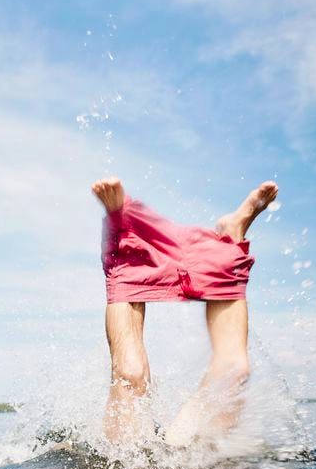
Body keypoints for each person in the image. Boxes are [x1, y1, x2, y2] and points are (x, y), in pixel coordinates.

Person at [92, 177, 278, 445]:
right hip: (132, 261)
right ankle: (124, 227)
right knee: (130, 374)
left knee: (235, 372)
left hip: (179, 456)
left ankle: (232, 233)